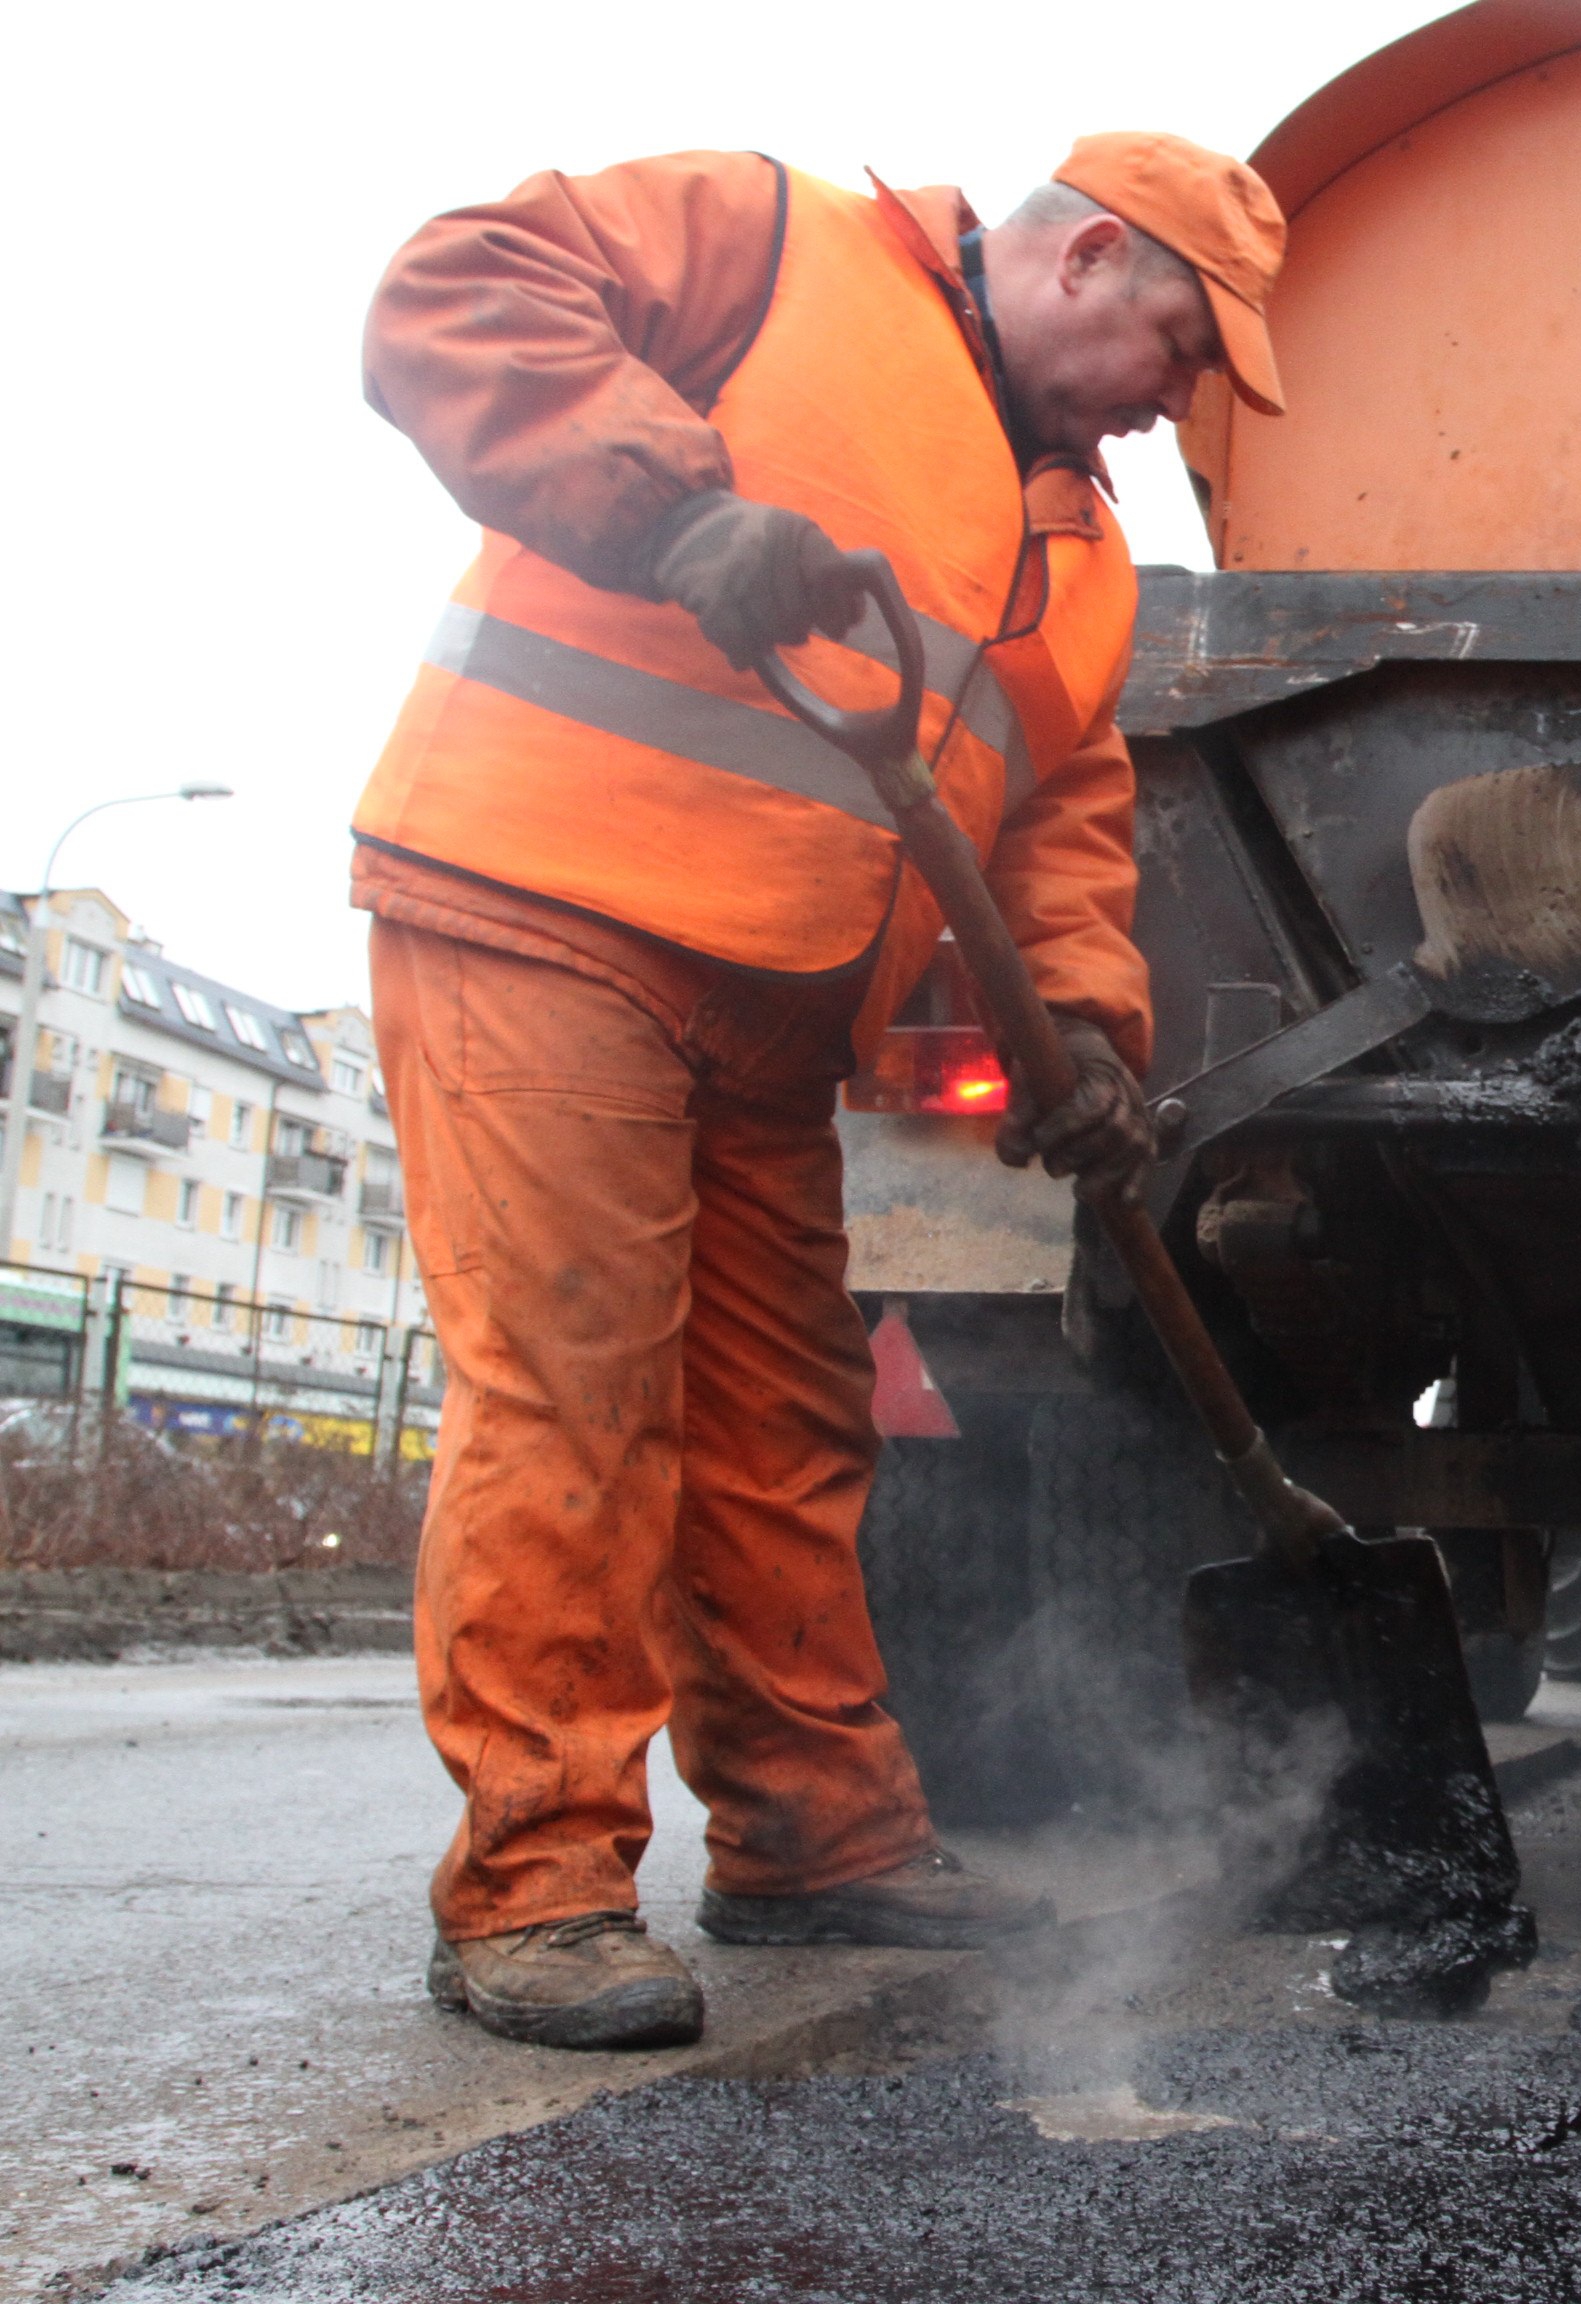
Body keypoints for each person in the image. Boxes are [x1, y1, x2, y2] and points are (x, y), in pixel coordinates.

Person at [351, 133, 1286, 2049]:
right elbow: (454, 290)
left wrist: (1089, 1036)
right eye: (1181, 350)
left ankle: (815, 1836)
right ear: (1091, 255)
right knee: (576, 1400)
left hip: (774, 1020)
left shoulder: (1084, 556)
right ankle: (534, 1890)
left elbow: (1065, 826)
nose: (1176, 405)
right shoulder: (769, 242)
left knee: (788, 1436)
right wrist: (665, 502)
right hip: (553, 910)